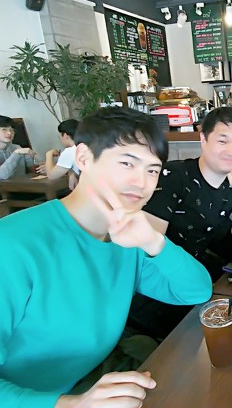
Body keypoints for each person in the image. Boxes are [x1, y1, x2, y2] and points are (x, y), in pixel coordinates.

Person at [0, 107, 212, 407]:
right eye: (127, 163)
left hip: (91, 379)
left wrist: (154, 242)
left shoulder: (127, 237)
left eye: (152, 170)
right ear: (83, 157)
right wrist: (72, 404)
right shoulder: (12, 245)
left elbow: (196, 290)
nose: (142, 182)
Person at [136, 107, 232, 338]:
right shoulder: (173, 176)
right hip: (159, 291)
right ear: (203, 140)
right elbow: (147, 251)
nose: (231, 150)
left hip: (194, 282)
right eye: (222, 141)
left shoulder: (231, 184)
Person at [42, 119, 80, 189]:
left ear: (65, 135)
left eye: (59, 136)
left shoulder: (69, 151)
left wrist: (49, 154)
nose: (60, 139)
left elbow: (51, 175)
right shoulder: (85, 146)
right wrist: (71, 173)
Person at [0, 115, 36, 179]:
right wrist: (16, 153)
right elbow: (2, 176)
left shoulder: (17, 147)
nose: (9, 133)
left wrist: (43, 167)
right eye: (4, 129)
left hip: (22, 183)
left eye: (12, 130)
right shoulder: (18, 151)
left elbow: (31, 170)